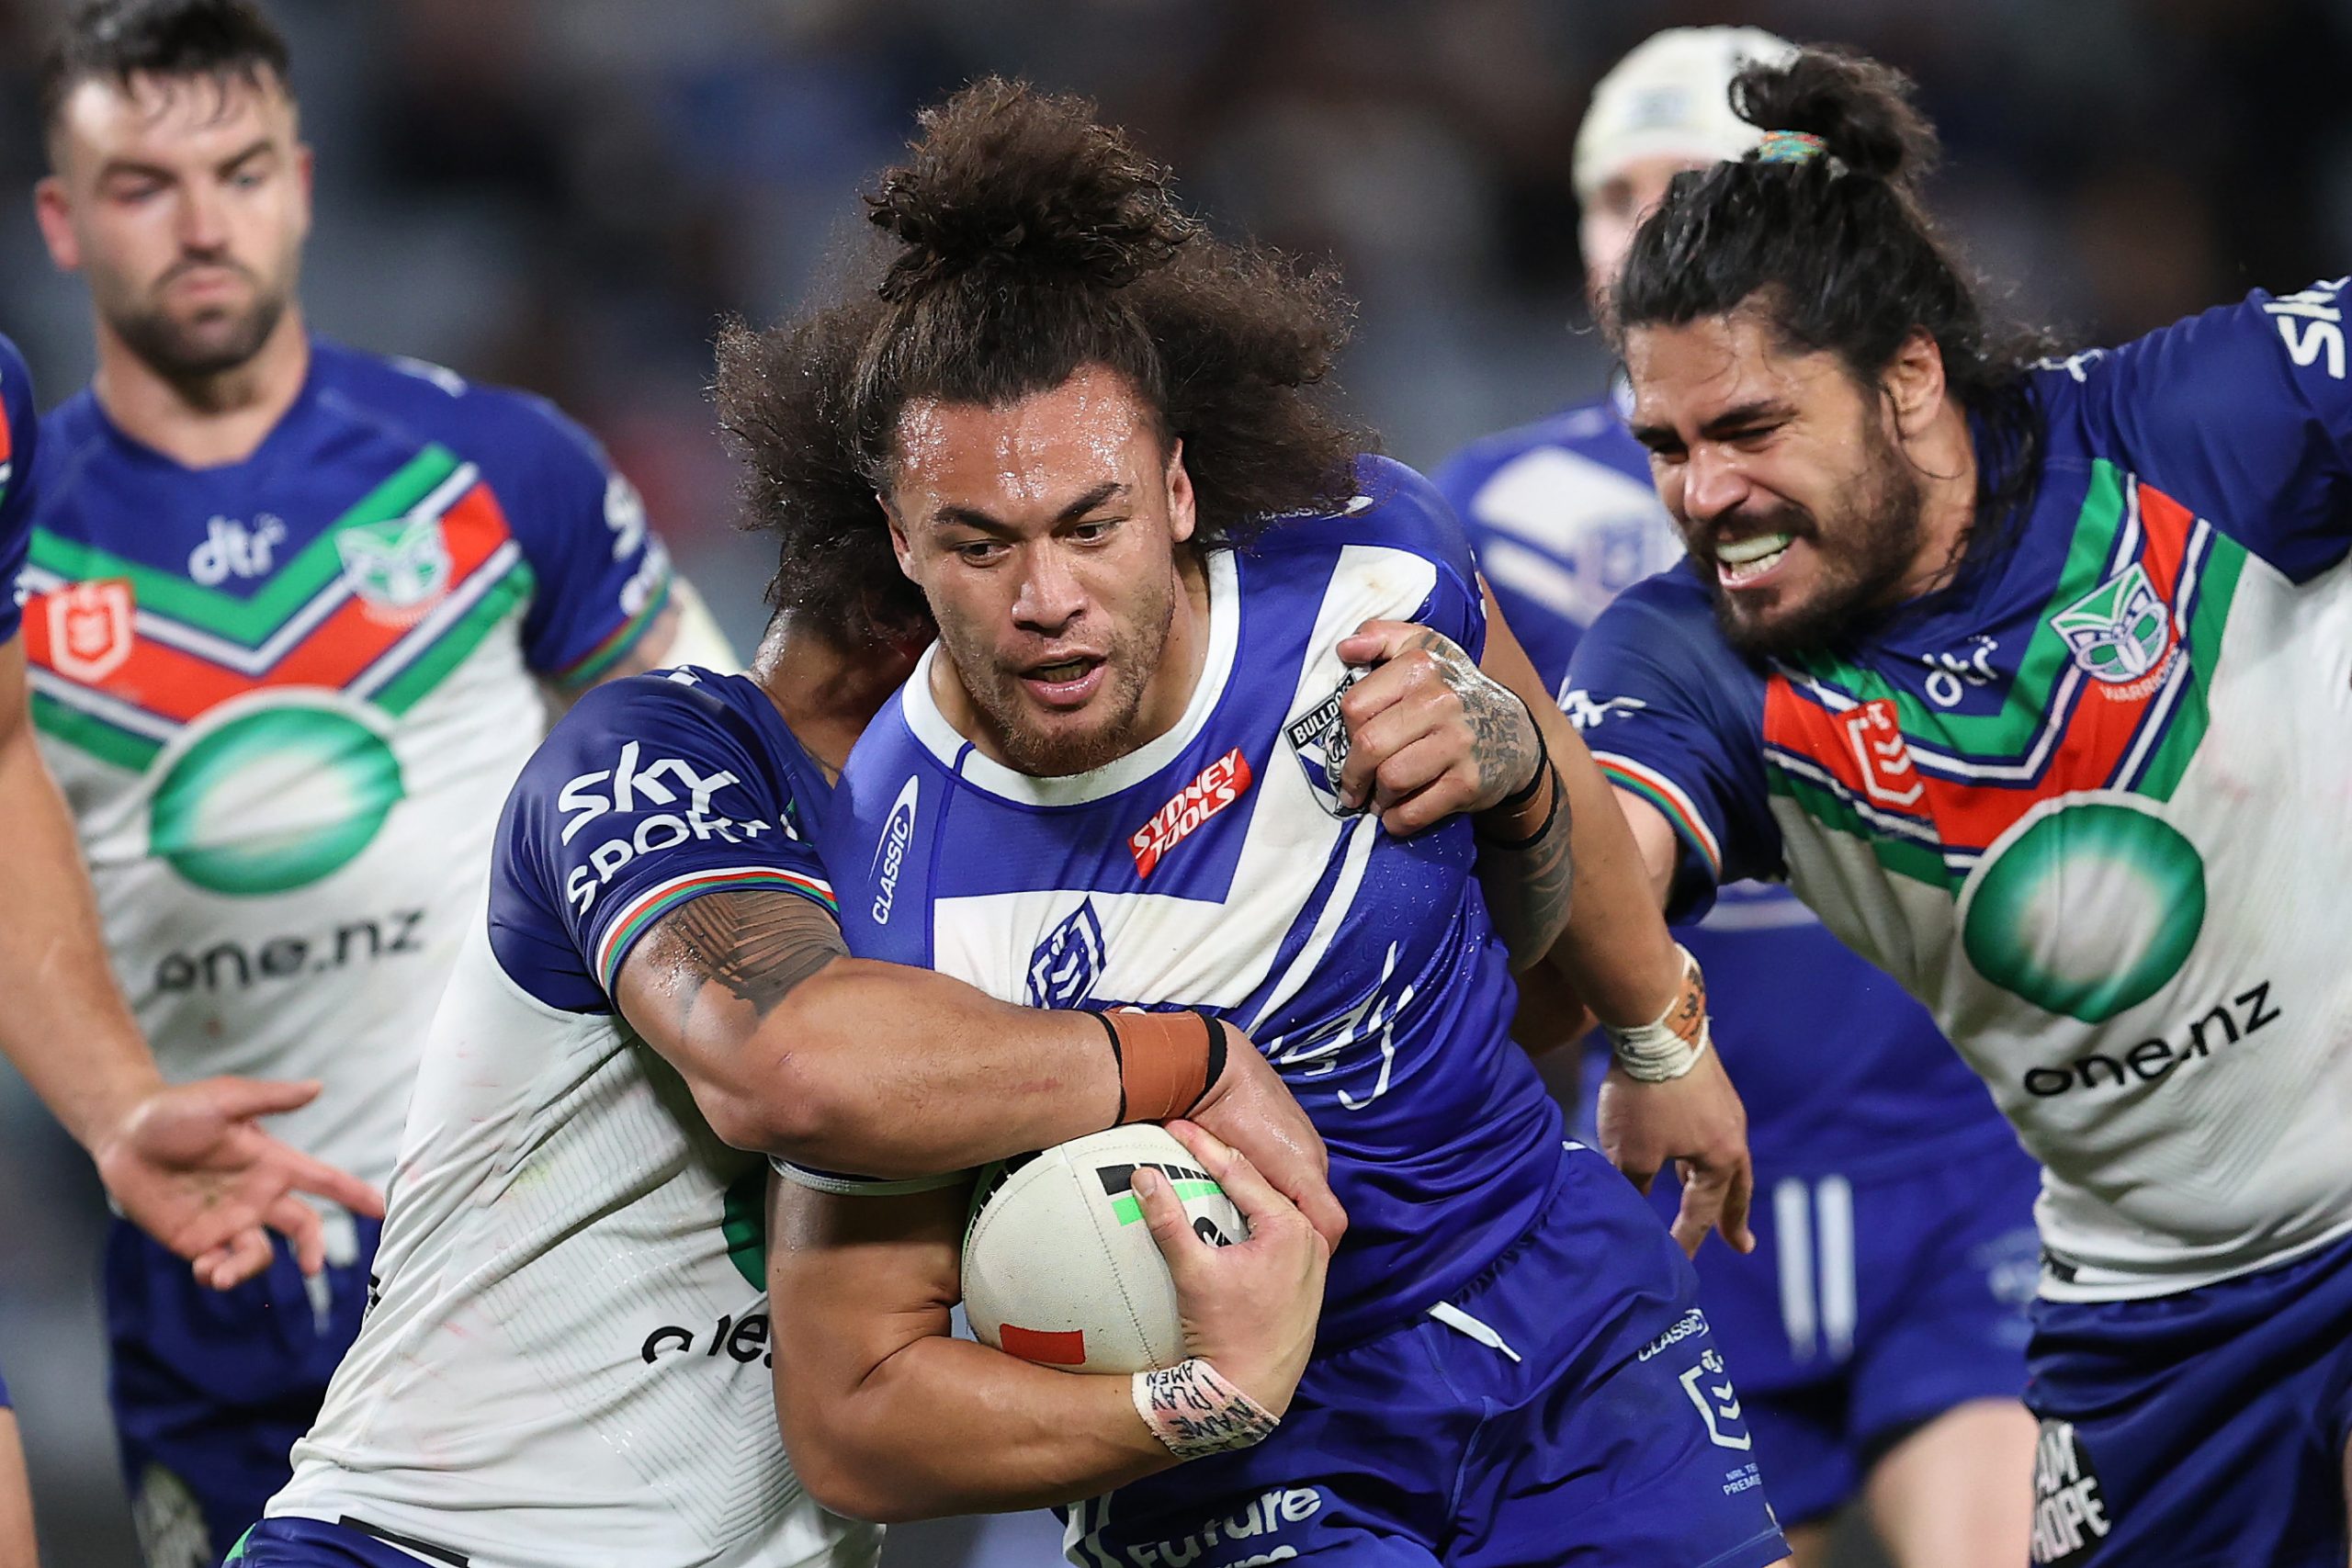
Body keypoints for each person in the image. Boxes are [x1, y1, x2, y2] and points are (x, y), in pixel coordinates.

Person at [740, 81, 1788, 1568]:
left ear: (1175, 491)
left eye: (1089, 525)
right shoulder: (884, 884)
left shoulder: (1370, 563)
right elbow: (851, 1411)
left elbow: (1551, 776)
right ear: (904, 545)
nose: (1045, 600)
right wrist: (1194, 1400)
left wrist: (1658, 1031)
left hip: (1560, 1313)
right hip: (1240, 1466)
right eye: (981, 546)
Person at [1566, 41, 2352, 1568]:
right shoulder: (1686, 651)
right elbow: (1607, 850)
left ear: (1907, 378)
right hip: (2149, 1315)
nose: (1700, 496)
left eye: (1748, 431)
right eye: (1665, 446)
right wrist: (1649, 1015)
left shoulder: (2204, 428)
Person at [25, 3, 734, 1559]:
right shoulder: (22, 529)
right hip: (208, 1269)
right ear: (63, 224)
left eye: (241, 169)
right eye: (143, 184)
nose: (203, 225)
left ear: (305, 182)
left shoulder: (504, 465)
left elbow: (715, 776)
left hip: (524, 1255)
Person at [1432, 28, 2040, 1567]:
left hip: (1950, 1166)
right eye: (1608, 194)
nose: (1640, 228)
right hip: (1668, 1196)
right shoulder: (1487, 520)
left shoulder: (1940, 483)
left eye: (1679, 186)